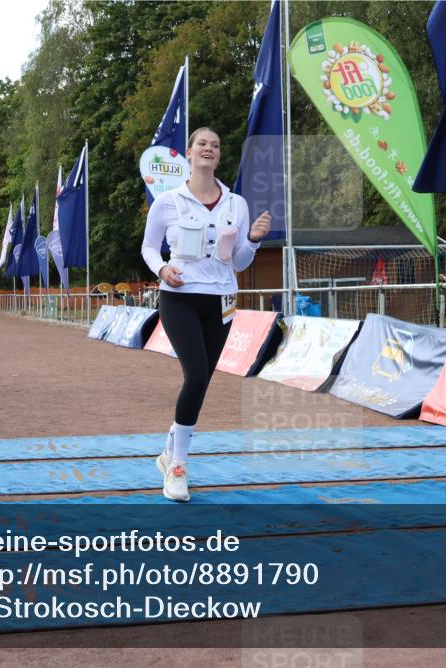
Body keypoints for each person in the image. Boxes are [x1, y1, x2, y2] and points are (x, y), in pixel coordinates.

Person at [141, 127, 271, 502]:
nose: (209, 149)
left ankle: (168, 452)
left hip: (221, 301)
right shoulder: (167, 201)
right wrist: (162, 270)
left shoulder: (237, 204)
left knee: (201, 381)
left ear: (219, 155)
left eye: (215, 145)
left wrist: (255, 240)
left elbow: (241, 262)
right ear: (189, 153)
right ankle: (178, 467)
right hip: (178, 298)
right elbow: (149, 248)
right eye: (203, 144)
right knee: (195, 375)